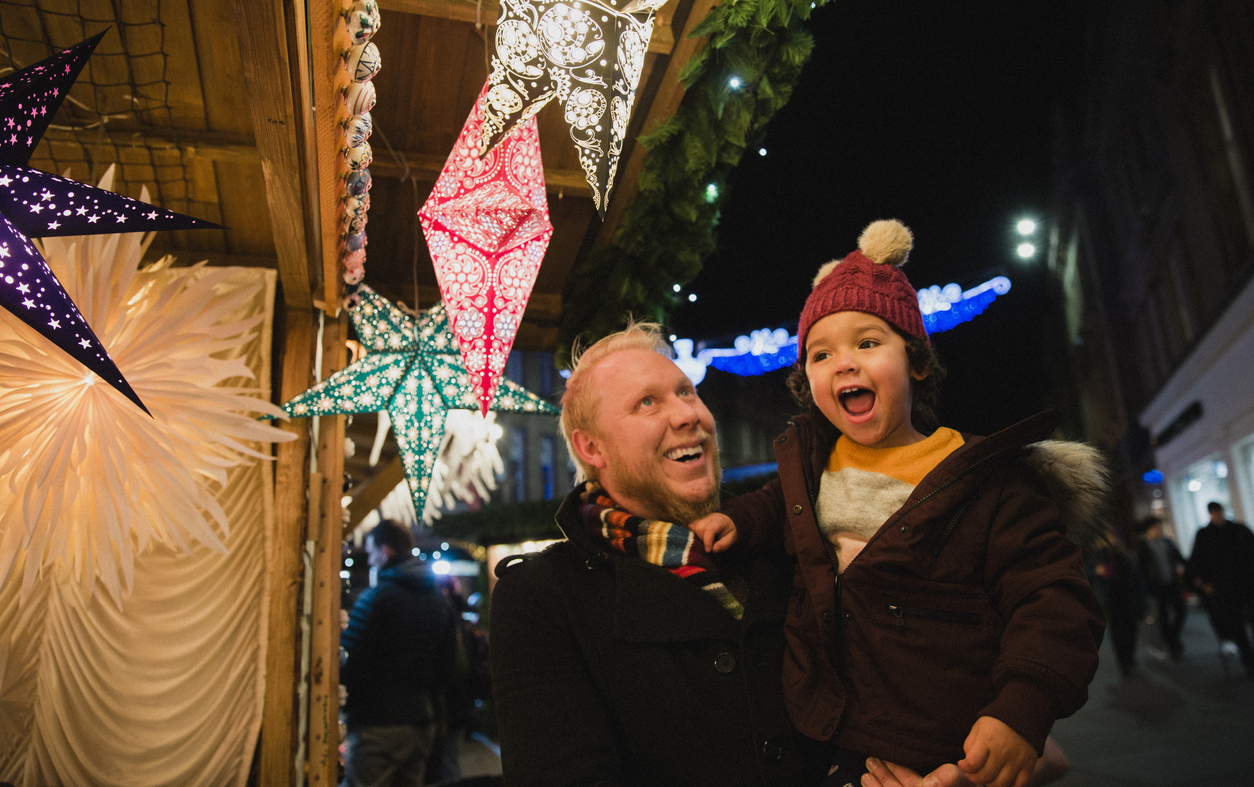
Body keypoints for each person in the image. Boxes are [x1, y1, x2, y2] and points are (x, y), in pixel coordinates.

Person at [691, 220, 1107, 787]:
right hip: (832, 736)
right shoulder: (809, 467)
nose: (844, 363)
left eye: (868, 342)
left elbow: (1053, 600)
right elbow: (773, 505)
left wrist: (1021, 712)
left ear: (917, 361)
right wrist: (735, 520)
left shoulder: (985, 479)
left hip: (953, 741)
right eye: (819, 354)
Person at [489, 322, 832, 787]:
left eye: (686, 392)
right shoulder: (544, 596)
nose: (687, 414)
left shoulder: (775, 543)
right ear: (591, 448)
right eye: (646, 402)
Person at [341, 520, 459, 787]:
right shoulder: (440, 602)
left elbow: (349, 660)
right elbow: (449, 667)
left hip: (377, 725)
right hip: (421, 723)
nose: (370, 561)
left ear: (386, 552)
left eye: (372, 553)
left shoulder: (376, 599)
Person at [1185, 501, 1254, 675]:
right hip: (1224, 588)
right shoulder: (1205, 535)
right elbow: (1197, 562)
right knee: (1236, 625)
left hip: (1246, 583)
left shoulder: (1239, 530)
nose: (1217, 516)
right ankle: (1249, 662)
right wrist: (1204, 583)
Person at [1088, 528, 1147, 676]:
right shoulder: (1098, 556)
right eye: (1108, 536)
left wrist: (1142, 599)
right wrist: (1096, 571)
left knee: (1132, 630)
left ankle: (1130, 658)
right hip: (1111, 600)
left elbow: (1137, 578)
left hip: (1128, 598)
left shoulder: (1124, 554)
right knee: (1118, 633)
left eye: (1113, 536)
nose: (1111, 539)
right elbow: (1086, 574)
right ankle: (1124, 663)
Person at [1136, 516, 1186, 659]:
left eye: (1160, 527)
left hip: (1171, 584)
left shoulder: (1167, 543)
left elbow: (1179, 558)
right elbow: (1142, 569)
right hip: (1157, 587)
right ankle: (1172, 645)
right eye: (1156, 528)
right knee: (1163, 616)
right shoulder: (1143, 546)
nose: (1159, 530)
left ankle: (1172, 638)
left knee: (1181, 611)